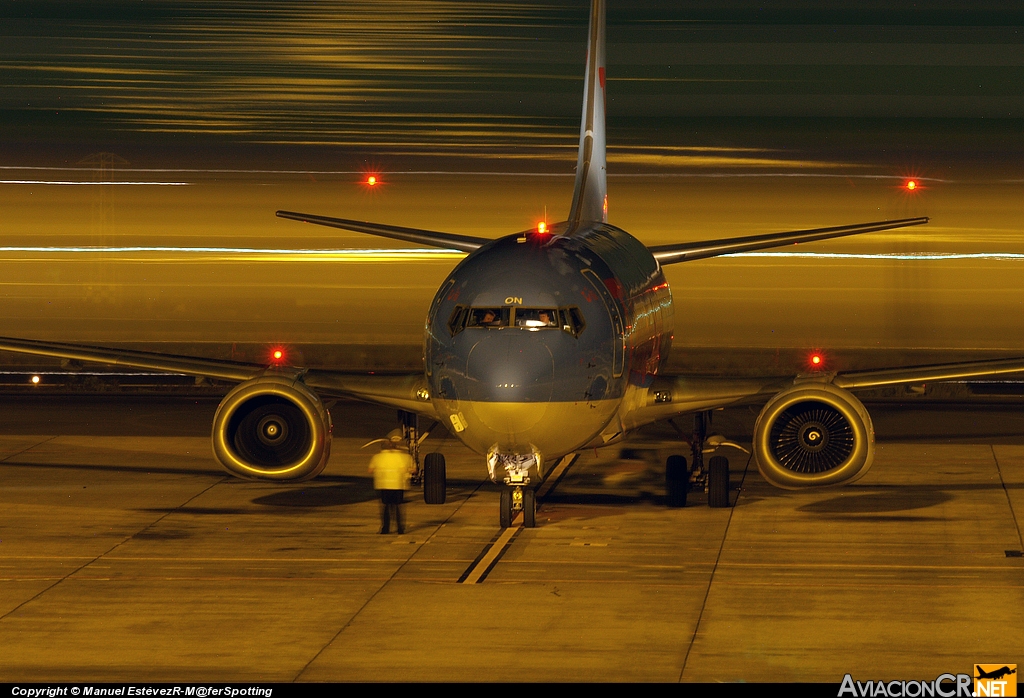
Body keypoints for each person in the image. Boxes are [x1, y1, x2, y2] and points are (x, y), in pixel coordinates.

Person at [368, 430, 416, 534]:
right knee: (398, 507)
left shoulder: (378, 457)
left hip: (384, 486)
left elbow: (370, 470)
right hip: (399, 485)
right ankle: (400, 529)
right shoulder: (405, 457)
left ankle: (385, 529)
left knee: (386, 508)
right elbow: (413, 470)